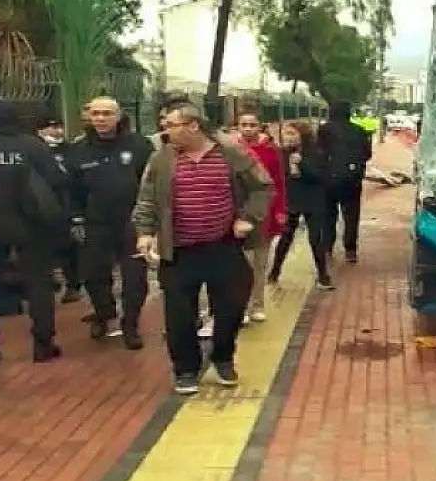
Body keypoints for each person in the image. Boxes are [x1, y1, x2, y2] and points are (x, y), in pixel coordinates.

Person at [132, 100, 272, 395]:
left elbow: (263, 186)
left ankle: (223, 357)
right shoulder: (161, 159)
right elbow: (146, 199)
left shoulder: (231, 154)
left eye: (171, 125)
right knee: (179, 314)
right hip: (179, 250)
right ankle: (185, 369)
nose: (165, 131)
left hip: (222, 246)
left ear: (193, 126)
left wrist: (247, 217)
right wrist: (145, 233)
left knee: (232, 307)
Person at [0, 98, 68, 363]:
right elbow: (57, 179)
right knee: (39, 285)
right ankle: (43, 345)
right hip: (30, 224)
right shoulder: (32, 146)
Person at [67, 97, 154, 349]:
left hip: (133, 222)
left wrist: (151, 223)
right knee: (93, 275)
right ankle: (104, 313)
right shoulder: (78, 150)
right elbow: (71, 190)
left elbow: (151, 184)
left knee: (135, 277)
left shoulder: (139, 145)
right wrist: (76, 219)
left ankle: (131, 324)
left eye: (106, 113)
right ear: (89, 117)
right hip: (95, 223)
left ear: (118, 117)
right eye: (96, 113)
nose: (101, 118)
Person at [269, 121, 335, 289]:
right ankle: (274, 272)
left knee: (315, 239)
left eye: (292, 134)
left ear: (302, 135)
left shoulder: (316, 152)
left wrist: (302, 163)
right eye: (286, 134)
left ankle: (323, 276)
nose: (289, 138)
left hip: (313, 199)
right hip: (291, 199)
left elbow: (320, 175)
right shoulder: (281, 153)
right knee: (286, 237)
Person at [235, 111, 287, 322]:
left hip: (264, 214)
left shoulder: (271, 151)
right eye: (243, 124)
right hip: (237, 214)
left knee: (259, 262)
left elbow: (278, 182)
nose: (247, 128)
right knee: (239, 264)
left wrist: (280, 210)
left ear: (260, 127)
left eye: (252, 124)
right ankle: (241, 306)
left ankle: (257, 304)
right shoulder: (231, 150)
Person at [319, 101, 372, 264]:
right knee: (351, 215)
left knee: (328, 215)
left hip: (328, 179)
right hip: (352, 180)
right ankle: (350, 250)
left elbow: (319, 152)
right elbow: (367, 154)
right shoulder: (360, 130)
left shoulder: (324, 130)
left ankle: (327, 247)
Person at [37, 116, 81, 304]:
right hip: (41, 205)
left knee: (67, 247)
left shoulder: (72, 150)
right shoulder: (36, 151)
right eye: (50, 127)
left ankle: (73, 285)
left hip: (65, 205)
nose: (55, 131)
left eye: (58, 127)